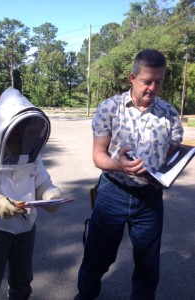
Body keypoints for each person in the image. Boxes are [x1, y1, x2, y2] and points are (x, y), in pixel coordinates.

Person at [74, 49, 184, 300]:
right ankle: (85, 295)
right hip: (113, 193)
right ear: (132, 78)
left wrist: (164, 171)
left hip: (150, 198)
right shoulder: (110, 108)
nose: (153, 88)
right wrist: (119, 165)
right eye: (147, 81)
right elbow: (98, 156)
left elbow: (174, 147)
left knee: (148, 264)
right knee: (97, 257)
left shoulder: (169, 114)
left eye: (159, 82)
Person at [0, 87, 62, 299]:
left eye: (25, 124)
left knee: (22, 284)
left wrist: (51, 195)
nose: (22, 129)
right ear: (4, 123)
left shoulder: (31, 150)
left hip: (25, 229)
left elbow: (43, 182)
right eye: (17, 124)